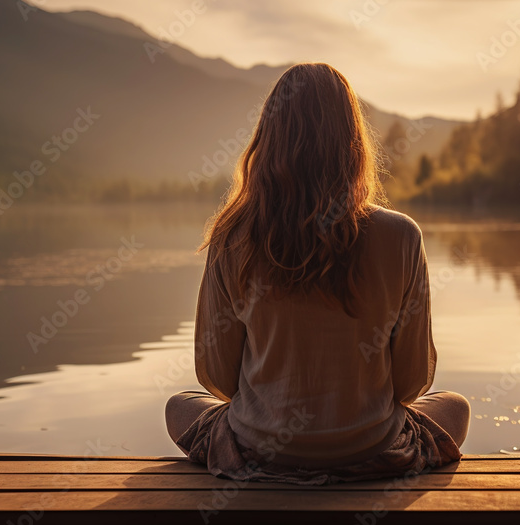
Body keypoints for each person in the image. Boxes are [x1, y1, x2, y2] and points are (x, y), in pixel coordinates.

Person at [165, 62, 469, 485]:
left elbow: (216, 377)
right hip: (371, 450)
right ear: (353, 142)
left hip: (260, 452)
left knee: (180, 405)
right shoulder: (402, 236)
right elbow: (412, 383)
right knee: (454, 406)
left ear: (267, 142)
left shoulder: (233, 237)